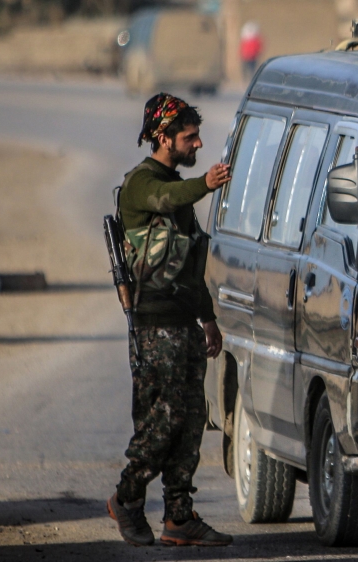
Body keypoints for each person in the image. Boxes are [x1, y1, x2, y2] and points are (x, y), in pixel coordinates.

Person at [106, 93, 233, 548]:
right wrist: (206, 182)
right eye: (188, 137)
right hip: (153, 321)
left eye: (197, 136)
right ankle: (127, 498)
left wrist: (209, 320)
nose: (197, 144)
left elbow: (189, 264)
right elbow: (169, 194)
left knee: (192, 418)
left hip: (183, 321)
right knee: (164, 417)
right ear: (163, 138)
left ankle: (179, 516)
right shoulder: (143, 185)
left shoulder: (179, 192)